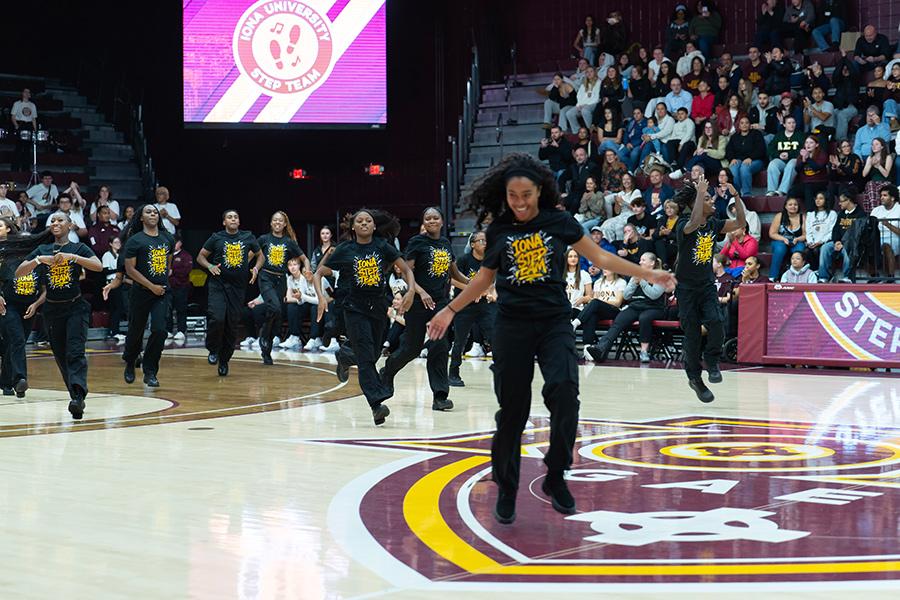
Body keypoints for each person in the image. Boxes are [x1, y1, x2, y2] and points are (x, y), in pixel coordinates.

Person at [425, 153, 675, 524]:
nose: (521, 203)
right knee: (512, 411)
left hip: (554, 321)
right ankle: (507, 487)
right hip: (512, 325)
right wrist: (450, 310)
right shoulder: (499, 231)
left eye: (526, 194)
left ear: (539, 191)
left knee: (565, 396)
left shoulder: (559, 221)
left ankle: (556, 474)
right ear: (505, 194)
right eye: (513, 196)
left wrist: (646, 273)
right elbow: (483, 279)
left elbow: (601, 259)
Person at [314, 209, 415, 424]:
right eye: (359, 221)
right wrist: (321, 298)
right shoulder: (345, 249)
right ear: (353, 227)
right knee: (366, 358)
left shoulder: (382, 247)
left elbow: (405, 269)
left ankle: (344, 357)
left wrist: (412, 291)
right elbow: (319, 273)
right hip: (354, 307)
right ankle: (376, 405)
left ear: (374, 226)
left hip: (378, 306)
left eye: (368, 221)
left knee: (374, 353)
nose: (364, 224)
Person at [379, 208, 467, 411]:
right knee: (412, 348)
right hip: (418, 302)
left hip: (440, 303)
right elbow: (405, 273)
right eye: (427, 218)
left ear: (442, 221)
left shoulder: (445, 244)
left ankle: (440, 396)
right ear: (424, 223)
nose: (432, 220)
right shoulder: (417, 242)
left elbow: (454, 273)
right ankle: (388, 371)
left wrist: (475, 284)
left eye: (435, 217)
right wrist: (421, 292)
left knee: (440, 345)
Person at [17, 213, 102, 419]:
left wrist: (73, 258)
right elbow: (20, 273)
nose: (55, 223)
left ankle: (77, 397)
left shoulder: (78, 248)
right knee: (61, 354)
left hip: (75, 307)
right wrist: (38, 260)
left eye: (60, 220)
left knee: (75, 351)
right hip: (53, 310)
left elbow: (97, 266)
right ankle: (76, 394)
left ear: (70, 225)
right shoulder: (43, 250)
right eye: (52, 221)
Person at [672, 176, 746, 403]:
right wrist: (699, 193)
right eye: (707, 198)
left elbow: (740, 223)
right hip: (685, 289)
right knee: (692, 335)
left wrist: (736, 196)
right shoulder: (683, 223)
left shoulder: (714, 224)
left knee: (716, 322)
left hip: (705, 286)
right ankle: (695, 379)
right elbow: (694, 224)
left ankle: (712, 360)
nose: (712, 200)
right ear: (695, 204)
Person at [197, 210, 264, 376]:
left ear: (239, 222)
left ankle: (224, 360)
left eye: (236, 217)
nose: (233, 219)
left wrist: (256, 268)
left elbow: (260, 255)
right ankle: (213, 349)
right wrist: (210, 266)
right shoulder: (216, 237)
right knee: (217, 318)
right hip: (218, 285)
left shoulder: (248, 236)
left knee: (232, 325)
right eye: (229, 217)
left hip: (238, 287)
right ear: (224, 222)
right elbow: (200, 257)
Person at [120, 205, 175, 387]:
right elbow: (130, 270)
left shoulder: (167, 238)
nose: (153, 214)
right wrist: (151, 286)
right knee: (136, 330)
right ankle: (130, 360)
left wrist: (161, 285)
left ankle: (150, 370)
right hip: (141, 292)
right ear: (141, 218)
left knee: (160, 330)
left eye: (155, 212)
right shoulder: (135, 240)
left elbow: (168, 265)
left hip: (161, 292)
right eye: (148, 212)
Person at [586, 251, 668, 364]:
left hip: (654, 308)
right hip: (635, 306)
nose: (640, 262)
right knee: (620, 318)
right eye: (640, 260)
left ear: (652, 263)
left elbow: (654, 295)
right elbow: (626, 295)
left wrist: (642, 282)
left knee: (644, 318)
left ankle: (644, 352)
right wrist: (634, 282)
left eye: (643, 260)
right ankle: (601, 349)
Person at [0, 217, 49, 399]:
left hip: (29, 306)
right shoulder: (7, 260)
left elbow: (44, 289)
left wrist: (36, 304)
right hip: (8, 305)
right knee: (17, 341)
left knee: (14, 344)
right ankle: (20, 379)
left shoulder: (36, 264)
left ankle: (5, 381)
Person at [256, 211, 309, 365]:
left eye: (280, 221)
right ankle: (264, 337)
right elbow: (251, 255)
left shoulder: (289, 242)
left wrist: (307, 270)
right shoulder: (264, 239)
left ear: (285, 224)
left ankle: (267, 346)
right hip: (265, 277)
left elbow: (304, 258)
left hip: (281, 279)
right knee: (275, 308)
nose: (277, 223)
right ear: (271, 223)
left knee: (277, 313)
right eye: (275, 220)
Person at [448, 231, 495, 387]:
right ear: (473, 244)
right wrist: (472, 290)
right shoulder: (463, 260)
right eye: (481, 240)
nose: (485, 243)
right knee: (460, 341)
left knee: (495, 336)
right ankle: (453, 374)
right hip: (464, 305)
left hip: (483, 306)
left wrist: (487, 292)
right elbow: (453, 280)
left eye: (486, 240)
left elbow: (492, 282)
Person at [817, 190, 866, 282]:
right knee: (825, 247)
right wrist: (836, 241)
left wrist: (845, 243)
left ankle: (847, 277)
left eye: (841, 201)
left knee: (848, 248)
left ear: (849, 200)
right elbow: (835, 230)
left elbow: (859, 233)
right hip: (840, 242)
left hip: (854, 244)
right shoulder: (841, 214)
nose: (839, 203)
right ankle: (823, 277)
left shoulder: (860, 214)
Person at [572, 268, 626, 350]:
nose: (605, 269)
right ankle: (587, 348)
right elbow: (594, 301)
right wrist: (598, 302)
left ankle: (576, 322)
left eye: (608, 267)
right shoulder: (598, 282)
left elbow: (618, 302)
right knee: (591, 316)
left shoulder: (621, 282)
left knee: (595, 302)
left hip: (614, 310)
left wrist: (601, 302)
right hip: (600, 311)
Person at [726, 116, 767, 196]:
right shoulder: (734, 137)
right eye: (742, 123)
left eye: (746, 123)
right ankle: (736, 193)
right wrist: (732, 159)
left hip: (756, 160)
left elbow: (761, 150)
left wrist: (751, 158)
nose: (744, 125)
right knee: (733, 168)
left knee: (744, 168)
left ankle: (746, 193)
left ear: (750, 125)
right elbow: (729, 150)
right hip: (739, 160)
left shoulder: (756, 134)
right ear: (739, 125)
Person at [769, 197, 806, 280]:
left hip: (796, 241)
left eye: (795, 205)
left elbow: (805, 235)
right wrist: (783, 239)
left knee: (800, 249)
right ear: (785, 206)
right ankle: (773, 277)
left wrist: (797, 239)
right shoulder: (780, 216)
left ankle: (797, 277)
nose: (793, 206)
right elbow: (772, 233)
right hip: (780, 241)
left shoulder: (802, 217)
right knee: (780, 249)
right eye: (790, 204)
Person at [766, 115, 801, 196]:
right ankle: (771, 190)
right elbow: (770, 149)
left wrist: (789, 154)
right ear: (784, 125)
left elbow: (803, 149)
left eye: (793, 123)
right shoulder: (779, 135)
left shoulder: (800, 135)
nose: (792, 125)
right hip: (781, 160)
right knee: (772, 164)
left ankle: (782, 191)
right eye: (789, 123)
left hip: (794, 159)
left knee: (791, 164)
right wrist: (779, 155)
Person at [167, 233, 193, 343]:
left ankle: (181, 330)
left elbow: (187, 270)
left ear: (180, 243)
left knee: (181, 309)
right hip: (168, 287)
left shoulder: (185, 256)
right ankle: (168, 330)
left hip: (181, 286)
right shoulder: (167, 255)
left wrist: (173, 272)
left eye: (175, 242)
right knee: (168, 309)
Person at [794, 135, 830, 212]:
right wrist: (803, 161)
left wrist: (808, 158)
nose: (808, 145)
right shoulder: (802, 155)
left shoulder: (822, 154)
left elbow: (817, 168)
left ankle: (810, 213)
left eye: (811, 142)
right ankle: (787, 215)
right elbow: (797, 169)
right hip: (805, 183)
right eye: (806, 142)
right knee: (792, 191)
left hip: (819, 182)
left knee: (808, 188)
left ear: (817, 145)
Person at [871, 187, 900, 277]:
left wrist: (888, 225)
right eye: (881, 195)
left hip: (894, 237)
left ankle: (891, 276)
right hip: (877, 237)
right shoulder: (876, 210)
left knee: (886, 246)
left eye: (885, 195)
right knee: (865, 246)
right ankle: (874, 275)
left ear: (892, 198)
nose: (882, 197)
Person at [805, 191, 838, 269]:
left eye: (821, 198)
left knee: (817, 250)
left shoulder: (832, 214)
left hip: (825, 242)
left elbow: (832, 231)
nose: (818, 200)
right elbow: (808, 230)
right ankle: (814, 272)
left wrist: (821, 241)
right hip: (813, 243)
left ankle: (823, 271)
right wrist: (810, 242)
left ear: (826, 200)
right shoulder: (810, 214)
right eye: (816, 198)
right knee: (806, 251)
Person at [566, 66, 600, 134]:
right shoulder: (584, 83)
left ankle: (590, 130)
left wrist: (585, 105)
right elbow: (579, 96)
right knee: (569, 113)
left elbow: (596, 97)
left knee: (585, 111)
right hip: (582, 105)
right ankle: (577, 132)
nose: (589, 73)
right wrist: (579, 105)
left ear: (595, 73)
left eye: (591, 71)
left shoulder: (599, 82)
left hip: (594, 103)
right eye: (587, 72)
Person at [11, 88, 38, 172]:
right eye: (25, 92)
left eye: (28, 92)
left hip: (29, 125)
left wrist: (35, 129)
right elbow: (13, 116)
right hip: (21, 124)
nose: (27, 93)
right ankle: (15, 168)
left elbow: (33, 119)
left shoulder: (32, 105)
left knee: (27, 149)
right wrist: (16, 126)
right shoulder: (17, 104)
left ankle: (25, 168)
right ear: (22, 93)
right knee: (19, 148)